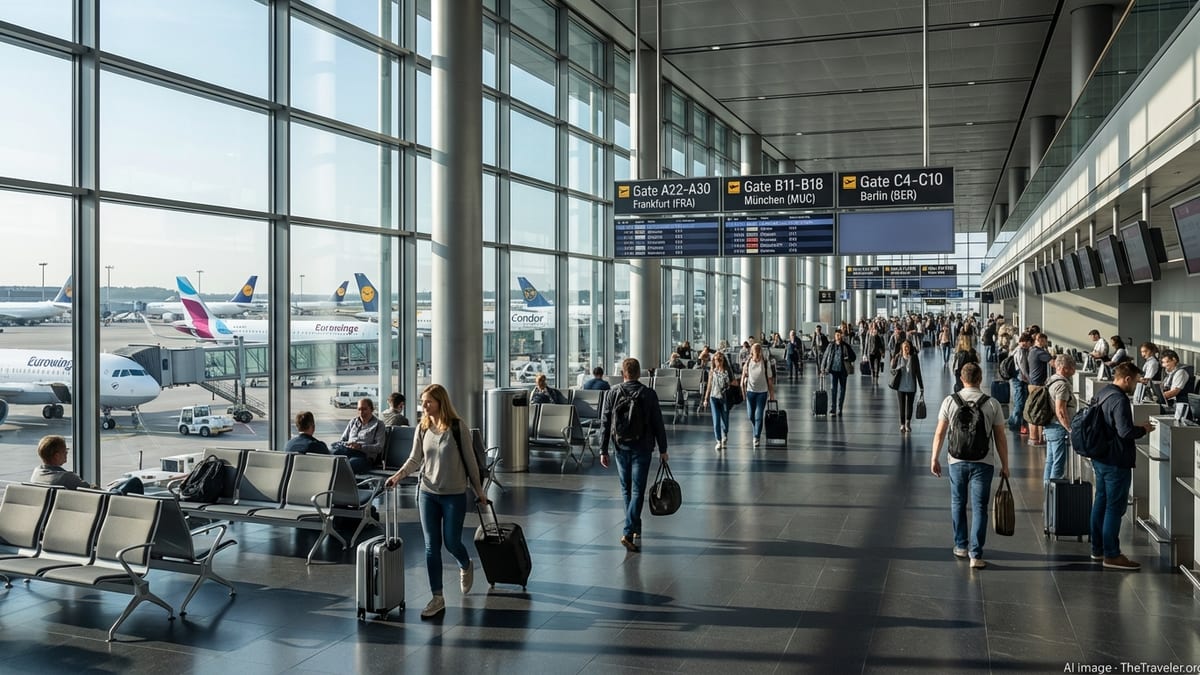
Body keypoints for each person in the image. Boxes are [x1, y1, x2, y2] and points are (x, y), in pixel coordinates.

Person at [385, 384, 489, 618]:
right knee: (432, 546)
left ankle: (465, 564)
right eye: (423, 402)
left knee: (451, 542)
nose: (423, 406)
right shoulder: (423, 428)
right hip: (427, 493)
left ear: (441, 402)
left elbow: (471, 463)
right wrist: (398, 476)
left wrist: (479, 491)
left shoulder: (457, 427)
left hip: (454, 494)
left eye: (428, 402)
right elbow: (414, 459)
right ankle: (437, 597)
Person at [929, 363, 1010, 569]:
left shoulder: (950, 401)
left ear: (962, 378)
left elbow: (940, 432)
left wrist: (934, 458)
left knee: (958, 502)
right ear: (980, 378)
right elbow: (1000, 437)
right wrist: (1005, 464)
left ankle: (961, 546)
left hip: (956, 460)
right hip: (983, 462)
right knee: (980, 507)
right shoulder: (992, 404)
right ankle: (976, 554)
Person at [599, 358, 669, 552]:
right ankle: (629, 530)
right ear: (639, 373)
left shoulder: (612, 393)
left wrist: (603, 449)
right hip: (643, 447)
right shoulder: (648, 394)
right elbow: (658, 424)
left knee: (626, 489)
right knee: (638, 490)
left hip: (620, 447)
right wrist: (663, 449)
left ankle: (635, 527)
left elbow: (605, 423)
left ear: (623, 373)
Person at [1090, 362, 1152, 570]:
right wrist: (1143, 429)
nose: (1135, 385)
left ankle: (1097, 549)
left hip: (1100, 457)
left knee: (1101, 501)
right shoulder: (1120, 400)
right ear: (1127, 379)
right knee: (1115, 508)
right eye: (1134, 381)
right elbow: (1125, 432)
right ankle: (1112, 554)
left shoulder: (1103, 393)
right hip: (1116, 461)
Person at [31, 435, 144, 495]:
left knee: (120, 484)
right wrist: (110, 489)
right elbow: (94, 492)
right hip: (100, 505)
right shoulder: (66, 478)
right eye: (64, 450)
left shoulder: (36, 474)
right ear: (56, 456)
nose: (66, 453)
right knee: (134, 482)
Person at [1043, 355, 1077, 485]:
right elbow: (1060, 410)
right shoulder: (1062, 385)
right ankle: (1055, 493)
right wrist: (1068, 428)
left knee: (1050, 461)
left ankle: (1048, 492)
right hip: (1058, 427)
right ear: (1064, 368)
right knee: (1058, 463)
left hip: (1050, 426)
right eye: (1072, 368)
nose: (1074, 370)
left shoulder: (1050, 380)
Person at [334, 397, 385, 473]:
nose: (361, 412)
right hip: (349, 451)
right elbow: (343, 439)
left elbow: (379, 447)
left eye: (364, 409)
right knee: (331, 454)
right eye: (359, 409)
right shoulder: (353, 422)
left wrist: (360, 447)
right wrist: (348, 444)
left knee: (349, 464)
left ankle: (347, 483)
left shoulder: (378, 425)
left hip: (364, 455)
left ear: (371, 409)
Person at [741, 343, 777, 445]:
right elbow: (743, 377)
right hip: (750, 392)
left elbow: (770, 380)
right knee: (750, 415)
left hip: (762, 392)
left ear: (760, 351)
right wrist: (743, 391)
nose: (756, 352)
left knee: (758, 415)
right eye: (755, 350)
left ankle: (756, 436)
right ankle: (756, 427)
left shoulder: (765, 362)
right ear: (752, 351)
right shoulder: (748, 362)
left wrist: (771, 394)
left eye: (758, 349)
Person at [819, 329, 856, 417]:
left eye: (839, 335)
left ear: (841, 336)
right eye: (836, 335)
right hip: (833, 371)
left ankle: (840, 408)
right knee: (833, 390)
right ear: (834, 336)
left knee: (842, 390)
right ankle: (833, 408)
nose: (838, 337)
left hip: (843, 371)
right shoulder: (831, 345)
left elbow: (854, 357)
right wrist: (822, 368)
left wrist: (848, 358)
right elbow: (825, 356)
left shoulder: (846, 346)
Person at [1025, 333, 1053, 446]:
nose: (1046, 343)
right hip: (1038, 386)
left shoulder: (1032, 351)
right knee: (1039, 412)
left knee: (1034, 411)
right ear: (1041, 340)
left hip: (1032, 384)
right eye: (1045, 341)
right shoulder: (1040, 352)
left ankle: (1034, 438)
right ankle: (1039, 438)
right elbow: (1053, 362)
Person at [891, 340, 924, 432]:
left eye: (908, 347)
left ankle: (908, 423)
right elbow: (892, 368)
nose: (906, 349)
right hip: (900, 386)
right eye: (904, 347)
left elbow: (918, 372)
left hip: (911, 386)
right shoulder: (899, 356)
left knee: (910, 405)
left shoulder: (914, 357)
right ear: (902, 348)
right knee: (902, 406)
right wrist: (894, 361)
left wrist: (921, 386)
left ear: (910, 348)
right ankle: (902, 425)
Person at [704, 351, 733, 450]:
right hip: (714, 398)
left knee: (725, 421)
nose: (718, 362)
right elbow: (709, 386)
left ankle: (725, 434)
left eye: (720, 360)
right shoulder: (712, 371)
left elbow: (729, 385)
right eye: (716, 360)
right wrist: (706, 399)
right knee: (716, 421)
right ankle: (718, 440)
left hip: (724, 398)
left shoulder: (726, 371)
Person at [1007, 333, 1033, 432]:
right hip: (1019, 379)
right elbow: (1023, 367)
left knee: (1021, 402)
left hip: (1019, 378)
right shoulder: (1020, 351)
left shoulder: (1019, 350)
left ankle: (1019, 423)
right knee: (1019, 403)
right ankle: (1014, 423)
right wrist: (1028, 378)